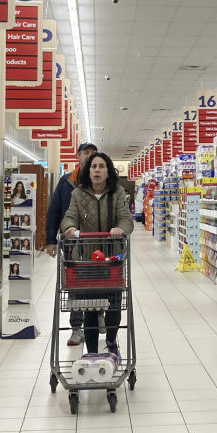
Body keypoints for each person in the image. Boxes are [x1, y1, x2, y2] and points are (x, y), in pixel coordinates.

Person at [61, 152, 134, 359]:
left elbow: (126, 219)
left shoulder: (117, 192)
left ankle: (111, 340)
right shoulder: (78, 194)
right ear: (88, 170)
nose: (97, 170)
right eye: (93, 166)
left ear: (108, 171)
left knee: (113, 305)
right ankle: (91, 353)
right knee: (90, 308)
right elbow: (69, 216)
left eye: (101, 166)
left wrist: (120, 229)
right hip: (86, 259)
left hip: (112, 260)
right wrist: (70, 227)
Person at [44, 142, 98, 346]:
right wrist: (50, 240)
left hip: (97, 242)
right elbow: (54, 211)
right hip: (72, 244)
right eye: (86, 153)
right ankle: (77, 328)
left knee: (98, 281)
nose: (90, 156)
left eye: (93, 153)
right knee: (75, 285)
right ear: (78, 157)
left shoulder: (102, 181)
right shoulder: (66, 182)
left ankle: (98, 314)